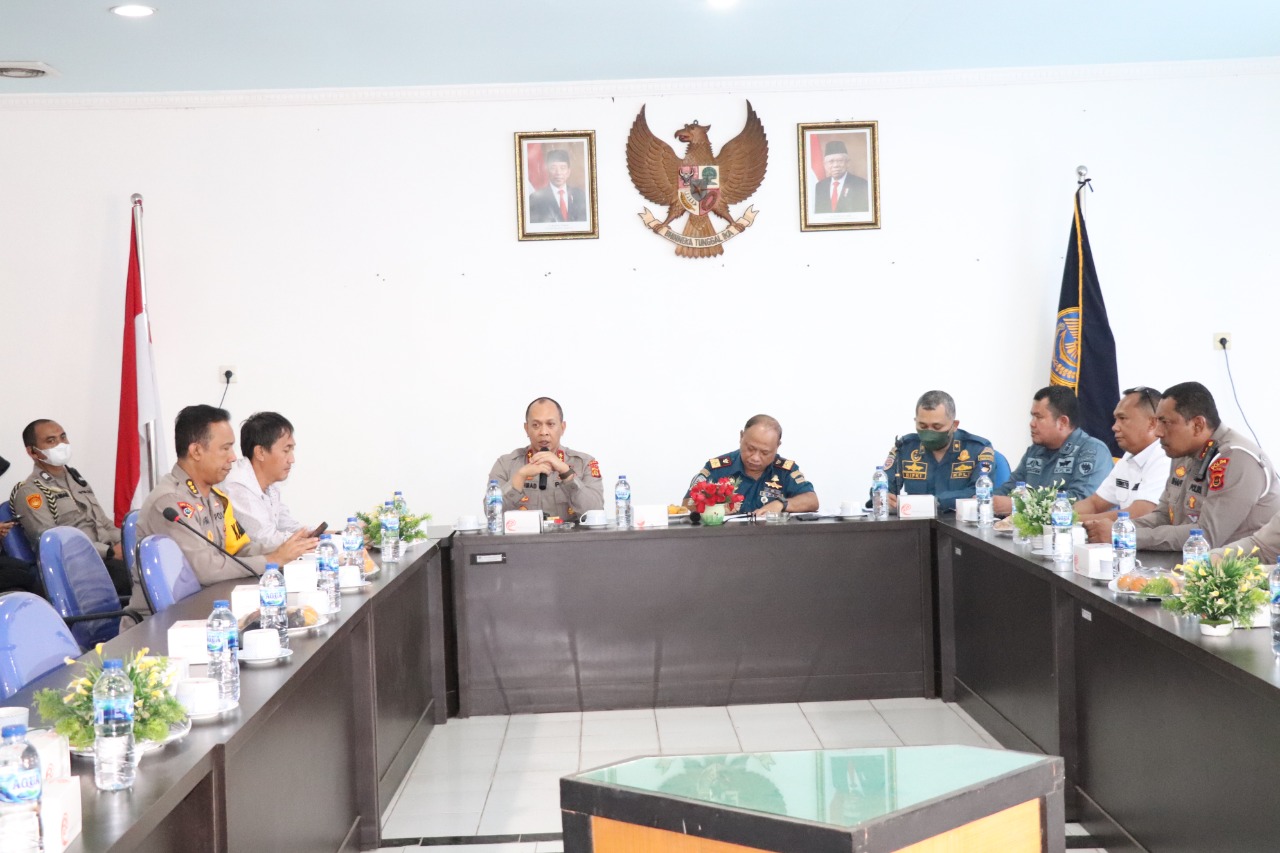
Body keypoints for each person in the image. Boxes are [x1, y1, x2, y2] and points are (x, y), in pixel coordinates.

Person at [137, 405, 316, 591]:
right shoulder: (170, 502)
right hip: (176, 607)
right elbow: (206, 570)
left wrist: (287, 549)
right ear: (196, 451)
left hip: (209, 597)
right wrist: (273, 560)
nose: (233, 457)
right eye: (225, 448)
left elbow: (238, 550)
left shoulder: (214, 498)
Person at [1131, 382, 1280, 551]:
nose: (1158, 432)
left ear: (1198, 425)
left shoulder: (1236, 458)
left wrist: (1131, 537)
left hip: (1239, 565)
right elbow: (1165, 516)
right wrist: (1121, 529)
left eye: (1165, 422)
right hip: (1191, 561)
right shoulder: (1183, 451)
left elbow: (1206, 536)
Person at [8, 419, 131, 598]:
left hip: (107, 560)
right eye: (51, 441)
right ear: (32, 452)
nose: (61, 444)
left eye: (63, 437)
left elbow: (103, 523)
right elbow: (52, 542)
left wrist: (127, 543)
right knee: (135, 579)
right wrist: (110, 552)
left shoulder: (77, 480)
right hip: (77, 567)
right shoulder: (30, 491)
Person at [992, 386, 1114, 516]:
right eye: (1032, 417)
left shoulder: (1092, 451)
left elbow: (1081, 501)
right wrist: (987, 501)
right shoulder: (1034, 451)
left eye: (1039, 417)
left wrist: (1020, 505)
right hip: (1032, 528)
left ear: (1062, 422)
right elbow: (1009, 489)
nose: (1032, 424)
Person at [879, 390, 999, 513]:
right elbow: (881, 485)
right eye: (923, 426)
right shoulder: (904, 447)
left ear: (954, 425)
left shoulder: (978, 449)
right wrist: (884, 498)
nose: (929, 433)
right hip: (916, 520)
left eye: (937, 427)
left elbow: (980, 492)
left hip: (959, 520)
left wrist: (936, 502)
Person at [1077, 387, 1172, 541]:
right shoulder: (1130, 456)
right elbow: (1095, 503)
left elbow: (1140, 514)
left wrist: (1073, 520)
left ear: (1152, 423)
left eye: (1123, 418)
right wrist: (1059, 514)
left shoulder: (1164, 457)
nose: (1114, 426)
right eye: (1115, 419)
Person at [487, 397, 604, 520]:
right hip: (524, 533)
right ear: (526, 429)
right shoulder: (505, 464)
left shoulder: (585, 463)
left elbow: (596, 512)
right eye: (536, 425)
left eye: (551, 424)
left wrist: (566, 473)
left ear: (562, 427)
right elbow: (492, 515)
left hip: (570, 533)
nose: (543, 432)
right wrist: (520, 476)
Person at [684, 414, 819, 516]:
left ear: (777, 446)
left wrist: (781, 504)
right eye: (750, 449)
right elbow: (687, 504)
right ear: (741, 437)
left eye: (765, 452)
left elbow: (811, 500)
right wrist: (715, 508)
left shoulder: (785, 471)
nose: (755, 458)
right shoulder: (718, 468)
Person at [219, 412, 312, 551]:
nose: (292, 459)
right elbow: (264, 539)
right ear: (260, 452)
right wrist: (311, 541)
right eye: (286, 450)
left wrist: (319, 534)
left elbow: (287, 525)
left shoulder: (270, 486)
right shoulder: (237, 484)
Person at [528, 149, 587, 224]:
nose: (558, 173)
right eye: (553, 168)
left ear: (568, 172)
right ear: (547, 171)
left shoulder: (580, 195)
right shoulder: (535, 198)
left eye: (562, 168)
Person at [813, 140, 869, 214]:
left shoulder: (861, 185)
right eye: (831, 161)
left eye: (840, 161)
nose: (835, 165)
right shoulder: (819, 186)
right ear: (825, 165)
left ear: (847, 163)